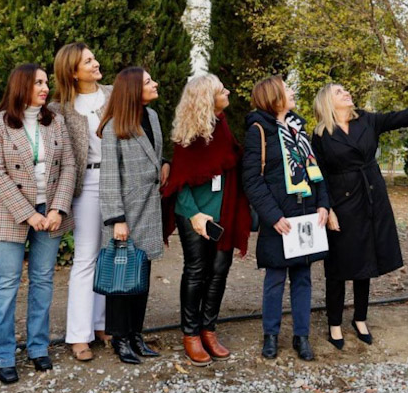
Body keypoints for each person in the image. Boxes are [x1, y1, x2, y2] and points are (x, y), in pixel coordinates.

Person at [310, 77, 408, 349]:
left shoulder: (367, 120)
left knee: (366, 261)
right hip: (341, 201)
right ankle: (334, 323)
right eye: (340, 91)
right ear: (328, 101)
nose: (347, 91)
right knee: (338, 266)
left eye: (345, 88)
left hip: (372, 197)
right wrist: (329, 208)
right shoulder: (319, 134)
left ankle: (360, 318)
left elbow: (402, 117)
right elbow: (319, 175)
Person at [0, 64, 76, 384]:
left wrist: (58, 209)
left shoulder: (56, 121)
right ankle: (4, 355)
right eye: (38, 82)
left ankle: (38, 348)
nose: (45, 87)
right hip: (9, 211)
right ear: (21, 86)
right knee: (7, 284)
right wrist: (29, 214)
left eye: (46, 82)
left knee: (43, 281)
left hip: (50, 212)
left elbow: (69, 167)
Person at [161, 74, 251, 366]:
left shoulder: (222, 125)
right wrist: (195, 214)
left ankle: (208, 328)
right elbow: (179, 181)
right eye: (221, 89)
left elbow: (231, 162)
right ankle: (190, 334)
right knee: (197, 270)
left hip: (223, 208)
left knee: (220, 269)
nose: (227, 91)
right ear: (206, 97)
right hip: (194, 212)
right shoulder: (189, 135)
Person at [242, 76, 330, 361]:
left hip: (306, 215)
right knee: (276, 278)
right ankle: (270, 335)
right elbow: (253, 181)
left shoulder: (298, 128)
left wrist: (323, 205)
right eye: (287, 89)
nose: (292, 92)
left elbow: (315, 170)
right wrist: (273, 216)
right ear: (274, 97)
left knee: (303, 278)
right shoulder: (258, 131)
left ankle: (301, 336)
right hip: (280, 219)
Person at [98, 67, 167, 365]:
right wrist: (116, 220)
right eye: (148, 81)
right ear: (132, 90)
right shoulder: (114, 127)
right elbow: (110, 178)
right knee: (121, 279)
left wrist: (164, 164)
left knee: (142, 277)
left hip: (150, 210)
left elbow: (156, 153)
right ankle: (120, 338)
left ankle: (136, 334)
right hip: (126, 213)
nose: (155, 84)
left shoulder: (151, 117)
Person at [49, 42, 112, 362]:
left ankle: (101, 325)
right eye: (88, 61)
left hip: (115, 183)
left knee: (109, 254)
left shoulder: (114, 95)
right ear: (72, 72)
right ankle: (78, 334)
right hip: (84, 185)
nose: (96, 63)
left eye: (94, 58)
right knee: (87, 256)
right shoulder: (59, 108)